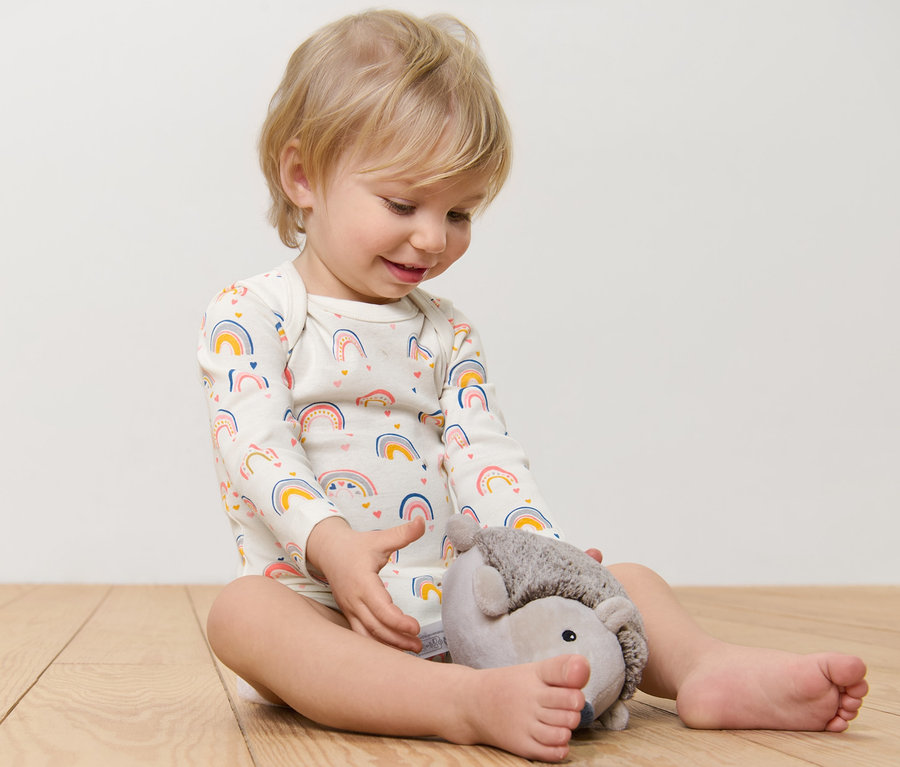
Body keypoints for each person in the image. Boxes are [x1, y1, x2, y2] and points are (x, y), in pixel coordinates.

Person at [198, 10, 868, 763]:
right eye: (402, 204)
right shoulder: (253, 313)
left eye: (459, 212)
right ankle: (458, 703)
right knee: (242, 614)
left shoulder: (447, 332)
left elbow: (483, 452)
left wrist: (543, 557)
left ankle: (705, 669)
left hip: (468, 602)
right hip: (325, 607)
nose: (432, 237)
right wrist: (332, 547)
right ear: (301, 176)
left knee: (628, 579)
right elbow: (255, 446)